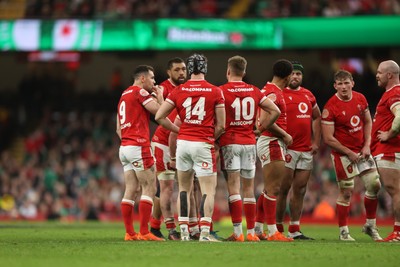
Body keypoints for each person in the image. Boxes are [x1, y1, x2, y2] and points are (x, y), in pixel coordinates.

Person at [155, 53, 225, 242]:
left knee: (184, 189)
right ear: (204, 68)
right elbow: (222, 125)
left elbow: (159, 117)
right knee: (207, 190)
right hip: (203, 143)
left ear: (189, 68)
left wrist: (180, 129)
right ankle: (203, 233)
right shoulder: (215, 91)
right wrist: (210, 137)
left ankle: (184, 232)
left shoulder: (179, 90)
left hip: (183, 144)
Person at [218, 55, 281, 242]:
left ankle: (238, 233)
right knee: (249, 189)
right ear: (244, 72)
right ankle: (252, 233)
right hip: (249, 142)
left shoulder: (221, 91)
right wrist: (260, 129)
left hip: (230, 142)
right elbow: (275, 111)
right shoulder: (254, 90)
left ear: (228, 71)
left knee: (233, 188)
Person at [321, 69, 382, 241]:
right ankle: (343, 232)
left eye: (346, 83)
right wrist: (349, 152)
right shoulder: (330, 107)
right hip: (342, 155)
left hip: (362, 151)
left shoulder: (360, 98)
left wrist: (367, 145)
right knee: (346, 192)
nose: (343, 87)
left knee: (374, 185)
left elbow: (368, 121)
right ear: (335, 86)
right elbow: (328, 138)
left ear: (352, 83)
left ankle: (370, 225)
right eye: (339, 84)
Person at [117, 65, 172, 242]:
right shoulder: (139, 93)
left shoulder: (123, 96)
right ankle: (144, 231)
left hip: (125, 147)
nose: (154, 81)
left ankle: (129, 233)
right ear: (142, 79)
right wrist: (161, 97)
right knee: (150, 186)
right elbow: (159, 113)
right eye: (152, 78)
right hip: (138, 145)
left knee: (131, 189)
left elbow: (118, 128)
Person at [276, 61, 321, 240]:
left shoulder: (308, 95)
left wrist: (316, 141)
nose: (296, 77)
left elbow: (317, 117)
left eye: (299, 74)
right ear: (287, 76)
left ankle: (294, 229)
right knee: (283, 189)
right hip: (287, 149)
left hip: (305, 150)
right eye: (293, 74)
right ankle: (277, 229)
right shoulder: (279, 93)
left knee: (300, 189)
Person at [254, 59, 294, 242]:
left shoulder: (269, 90)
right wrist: (284, 134)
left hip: (269, 141)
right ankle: (272, 232)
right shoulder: (273, 93)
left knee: (268, 189)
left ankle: (257, 228)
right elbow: (264, 118)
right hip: (271, 141)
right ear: (288, 76)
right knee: (274, 188)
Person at [149, 57, 187, 241]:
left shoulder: (186, 90)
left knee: (184, 187)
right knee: (167, 188)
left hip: (182, 143)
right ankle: (171, 229)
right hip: (163, 142)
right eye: (177, 69)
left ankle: (156, 227)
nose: (181, 72)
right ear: (169, 72)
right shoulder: (162, 88)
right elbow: (154, 114)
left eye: (184, 69)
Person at [371, 60, 400, 242]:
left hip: (390, 149)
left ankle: (397, 232)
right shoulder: (392, 93)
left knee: (395, 190)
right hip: (388, 149)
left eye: (380, 72)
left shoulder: (394, 93)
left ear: (389, 75)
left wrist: (389, 134)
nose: (377, 75)